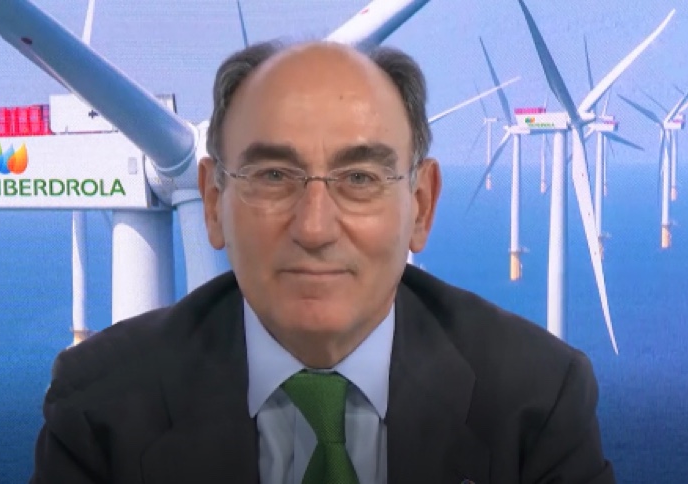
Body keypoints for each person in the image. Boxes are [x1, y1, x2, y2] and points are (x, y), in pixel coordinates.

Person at [30, 40, 615, 484]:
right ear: (212, 202)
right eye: (273, 176)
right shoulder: (100, 406)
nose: (314, 227)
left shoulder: (535, 398)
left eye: (359, 179)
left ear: (421, 205)